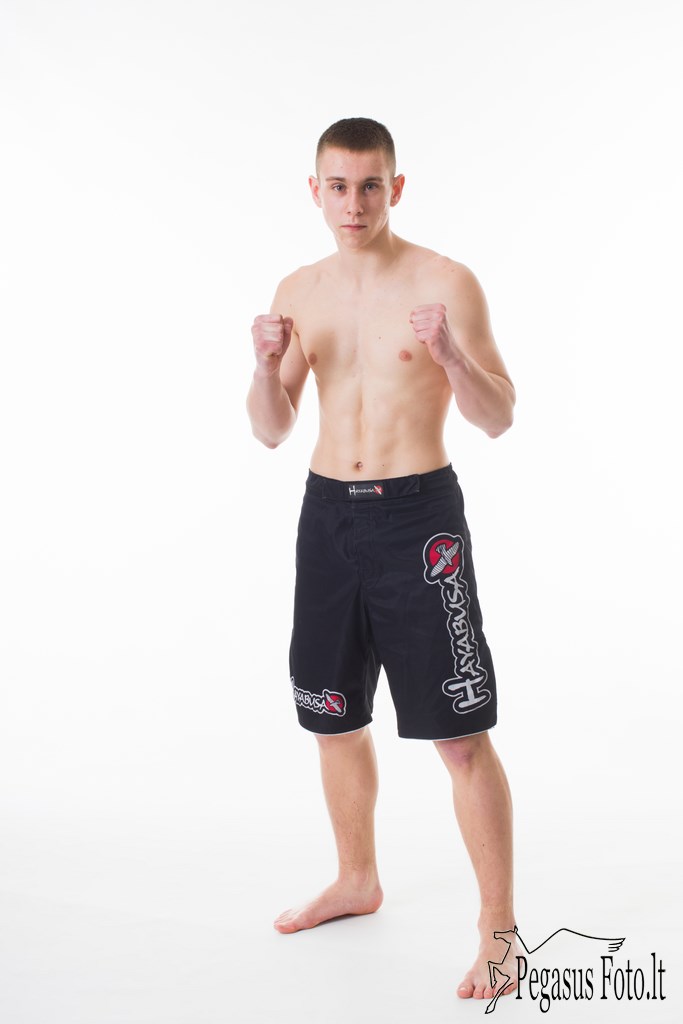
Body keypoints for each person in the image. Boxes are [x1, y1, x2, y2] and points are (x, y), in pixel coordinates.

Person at [246, 117, 519, 1003]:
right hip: (328, 516)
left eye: (370, 185)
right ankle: (356, 879)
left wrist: (448, 355)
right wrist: (265, 367)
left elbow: (497, 416)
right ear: (315, 191)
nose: (354, 203)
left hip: (417, 521)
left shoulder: (445, 281)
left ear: (395, 188)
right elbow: (271, 430)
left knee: (458, 735)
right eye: (338, 186)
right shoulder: (299, 289)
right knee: (332, 717)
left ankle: (500, 932)